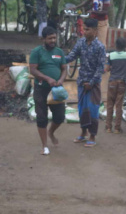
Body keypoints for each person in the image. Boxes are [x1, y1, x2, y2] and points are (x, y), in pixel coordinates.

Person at [65, 18, 106, 147]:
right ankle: (83, 133)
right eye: (84, 28)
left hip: (93, 84)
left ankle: (92, 135)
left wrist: (92, 82)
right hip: (82, 81)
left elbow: (100, 68)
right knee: (82, 109)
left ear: (95, 31)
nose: (84, 31)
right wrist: (58, 59)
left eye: (87, 29)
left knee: (93, 109)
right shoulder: (80, 42)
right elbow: (71, 56)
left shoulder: (100, 47)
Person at [29, 26, 67, 155]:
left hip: (57, 89)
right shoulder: (36, 52)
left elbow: (64, 69)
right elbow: (33, 70)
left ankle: (51, 132)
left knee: (60, 116)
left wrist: (61, 80)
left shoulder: (59, 52)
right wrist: (47, 78)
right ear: (43, 39)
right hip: (41, 89)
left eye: (54, 38)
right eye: (50, 38)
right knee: (41, 117)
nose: (53, 40)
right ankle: (44, 145)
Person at [104, 36, 126, 133]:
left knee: (110, 104)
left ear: (116, 45)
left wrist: (111, 67)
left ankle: (108, 127)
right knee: (119, 105)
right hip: (122, 82)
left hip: (112, 82)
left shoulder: (111, 55)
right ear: (125, 46)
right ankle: (117, 128)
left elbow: (106, 69)